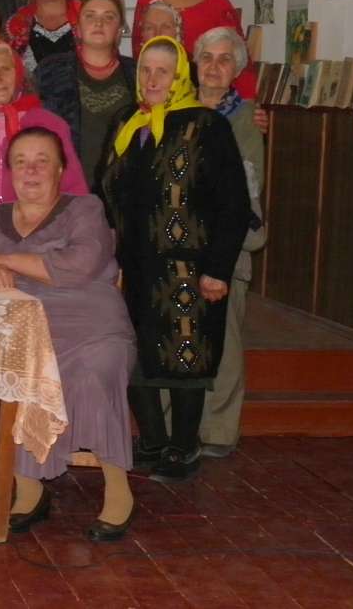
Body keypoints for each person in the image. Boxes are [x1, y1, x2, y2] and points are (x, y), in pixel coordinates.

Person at [0, 126, 137, 542]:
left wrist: (6, 260)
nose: (31, 170)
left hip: (90, 329)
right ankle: (29, 489)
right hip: (21, 333)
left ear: (60, 169)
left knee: (97, 369)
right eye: (21, 162)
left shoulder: (85, 209)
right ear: (9, 172)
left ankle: (118, 490)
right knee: (0, 371)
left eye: (42, 161)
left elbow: (80, 264)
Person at [99, 37, 251, 483]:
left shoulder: (207, 126)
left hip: (188, 268)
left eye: (163, 71)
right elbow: (102, 191)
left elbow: (234, 205)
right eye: (145, 70)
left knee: (186, 357)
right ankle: (153, 441)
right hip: (132, 266)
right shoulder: (126, 122)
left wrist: (218, 270)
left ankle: (183, 447)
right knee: (133, 355)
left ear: (180, 75)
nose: (152, 79)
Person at [193, 27, 267, 459]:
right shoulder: (177, 107)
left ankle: (219, 430)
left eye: (224, 60)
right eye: (207, 57)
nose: (214, 66)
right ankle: (178, 426)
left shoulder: (246, 118)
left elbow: (244, 186)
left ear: (236, 69)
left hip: (227, 246)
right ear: (195, 63)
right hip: (181, 246)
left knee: (225, 344)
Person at [0, 43, 85, 237]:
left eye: (5, 69)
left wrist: (76, 239)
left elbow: (74, 187)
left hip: (38, 235)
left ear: (19, 73)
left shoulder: (50, 125)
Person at [34, 0, 137, 185]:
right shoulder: (51, 70)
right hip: (62, 187)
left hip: (123, 188)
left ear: (119, 31)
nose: (99, 23)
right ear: (78, 29)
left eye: (109, 17)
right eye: (90, 16)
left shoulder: (137, 73)